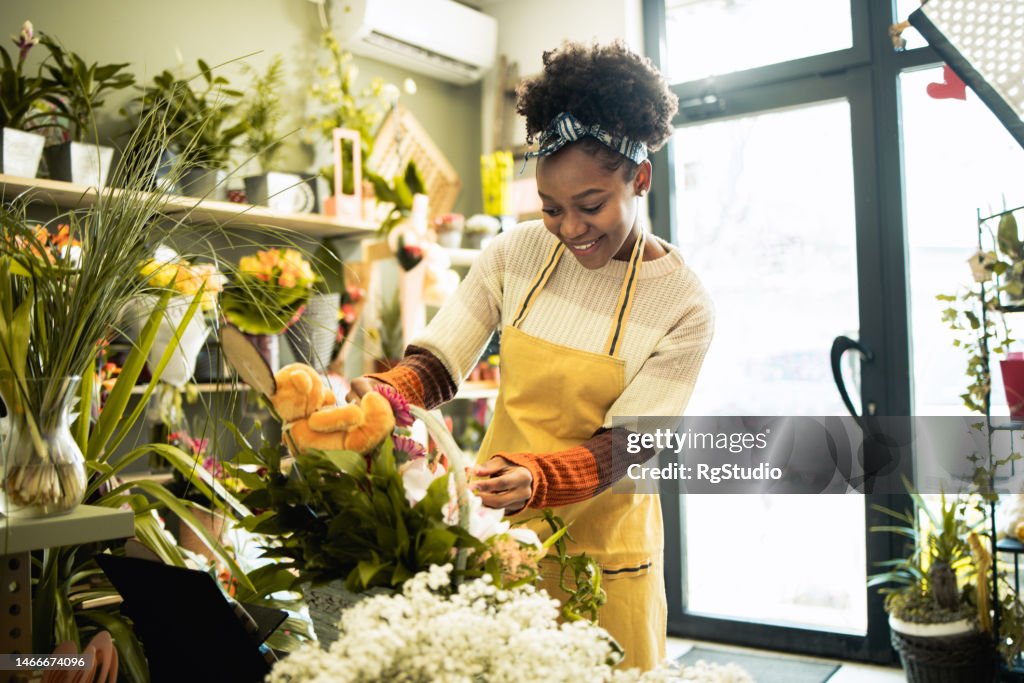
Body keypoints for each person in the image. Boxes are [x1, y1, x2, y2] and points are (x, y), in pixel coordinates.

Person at [348, 40, 714, 671]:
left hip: (607, 552)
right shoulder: (515, 254)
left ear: (642, 177)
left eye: (591, 205)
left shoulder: (683, 305)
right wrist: (388, 395)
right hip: (499, 534)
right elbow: (439, 362)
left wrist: (540, 479)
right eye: (551, 208)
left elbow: (629, 445)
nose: (571, 228)